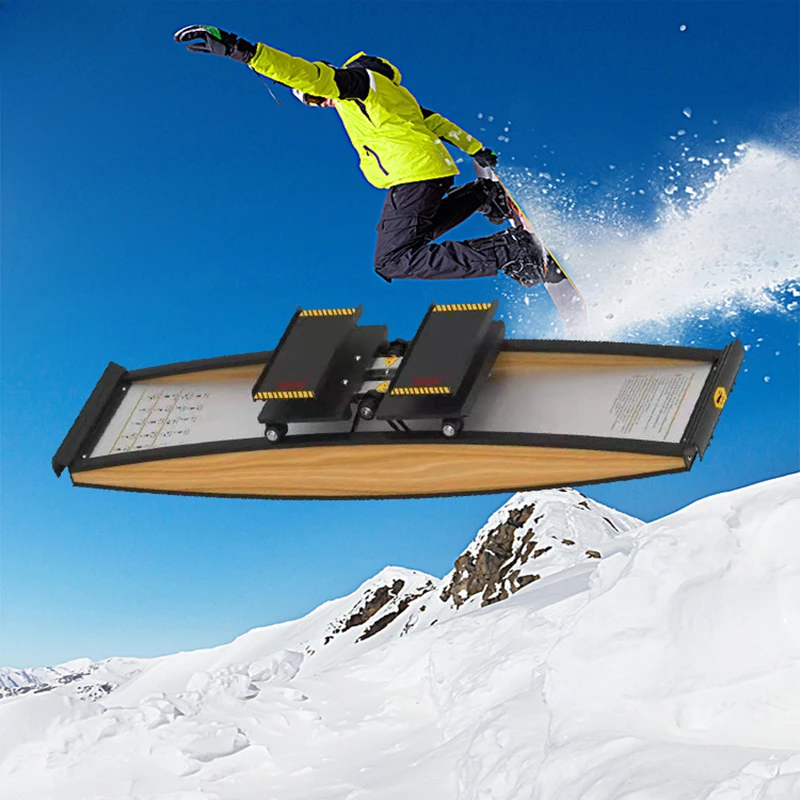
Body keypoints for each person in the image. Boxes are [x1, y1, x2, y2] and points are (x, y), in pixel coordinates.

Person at [174, 25, 555, 287]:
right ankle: (481, 195)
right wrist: (477, 150)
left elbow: (309, 76)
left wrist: (243, 51)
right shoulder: (393, 96)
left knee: (393, 259)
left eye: (321, 98)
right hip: (430, 170)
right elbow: (436, 122)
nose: (322, 103)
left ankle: (511, 251)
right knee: (418, 234)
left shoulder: (357, 83)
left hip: (411, 174)